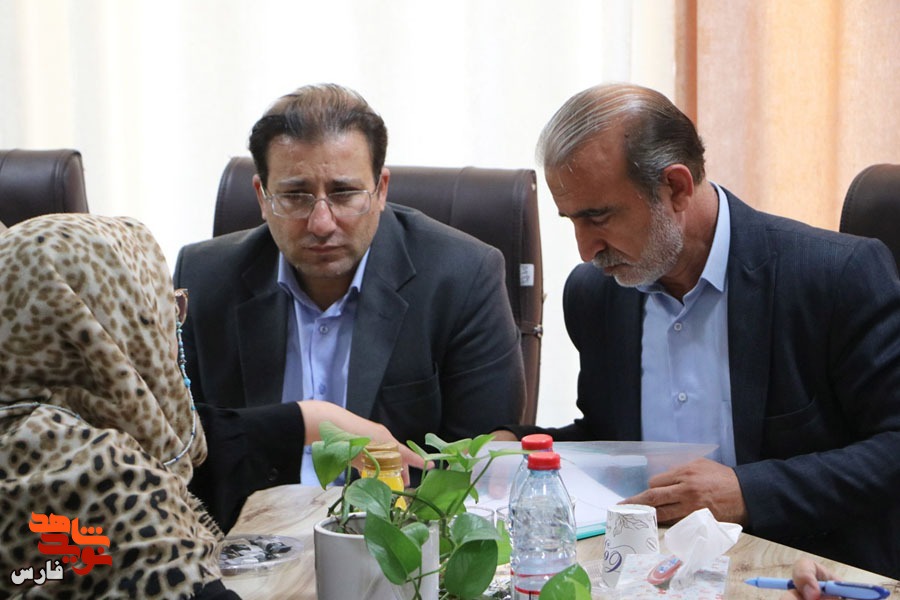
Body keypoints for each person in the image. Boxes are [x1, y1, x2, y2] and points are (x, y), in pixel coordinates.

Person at [497, 83, 900, 578]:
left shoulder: (834, 277)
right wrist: (518, 446)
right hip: (649, 576)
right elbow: (613, 439)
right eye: (571, 221)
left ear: (676, 188)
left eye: (598, 217)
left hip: (800, 574)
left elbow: (892, 445)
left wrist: (747, 492)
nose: (585, 250)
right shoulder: (595, 294)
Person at [0, 213, 419, 598]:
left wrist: (312, 417)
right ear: (118, 331)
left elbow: (200, 446)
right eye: (163, 309)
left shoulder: (33, 439)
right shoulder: (110, 482)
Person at [173, 83, 525, 484]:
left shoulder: (463, 276)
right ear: (262, 197)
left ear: (381, 190)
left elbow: (477, 465)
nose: (322, 223)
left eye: (344, 193)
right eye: (295, 196)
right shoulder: (203, 278)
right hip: (248, 521)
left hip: (399, 517)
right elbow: (175, 443)